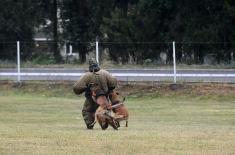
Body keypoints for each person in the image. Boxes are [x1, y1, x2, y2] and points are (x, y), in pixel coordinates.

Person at [73, 58, 119, 129]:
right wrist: (109, 89)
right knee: (106, 110)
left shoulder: (87, 76)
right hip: (104, 97)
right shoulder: (105, 73)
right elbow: (113, 82)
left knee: (87, 111)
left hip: (92, 97)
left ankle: (90, 125)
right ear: (97, 64)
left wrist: (85, 88)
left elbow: (76, 87)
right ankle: (108, 122)